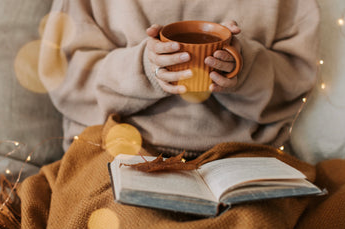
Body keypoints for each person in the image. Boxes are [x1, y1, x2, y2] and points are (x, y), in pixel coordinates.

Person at [42, 0, 320, 158]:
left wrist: (243, 68)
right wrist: (143, 68)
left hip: (243, 155)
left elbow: (297, 75)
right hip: (117, 152)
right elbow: (65, 76)